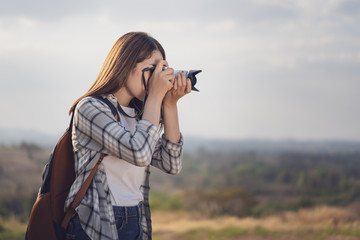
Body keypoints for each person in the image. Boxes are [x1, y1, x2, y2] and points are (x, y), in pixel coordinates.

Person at [64, 32, 191, 240]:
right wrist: (156, 96)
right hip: (95, 221)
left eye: (162, 71)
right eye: (151, 70)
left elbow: (172, 164)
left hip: (134, 218)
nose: (156, 79)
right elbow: (139, 153)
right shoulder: (90, 108)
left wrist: (169, 104)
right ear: (126, 65)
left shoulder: (140, 113)